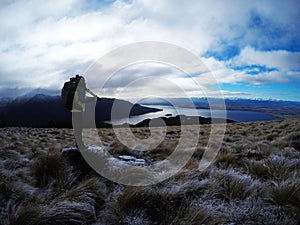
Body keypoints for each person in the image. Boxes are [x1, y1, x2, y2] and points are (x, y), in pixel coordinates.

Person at [71, 75, 97, 149]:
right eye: (84, 81)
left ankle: (78, 143)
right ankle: (80, 144)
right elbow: (83, 99)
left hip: (74, 110)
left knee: (77, 128)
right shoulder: (80, 89)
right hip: (78, 110)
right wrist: (92, 99)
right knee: (79, 128)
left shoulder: (77, 88)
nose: (85, 82)